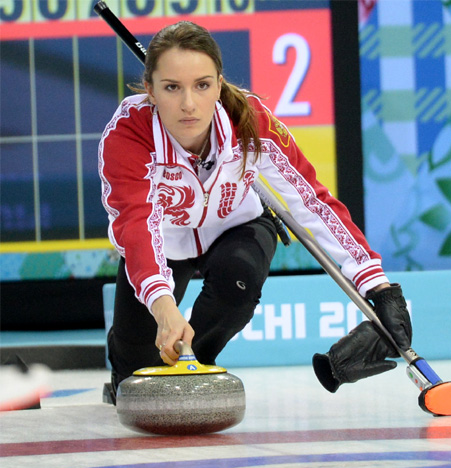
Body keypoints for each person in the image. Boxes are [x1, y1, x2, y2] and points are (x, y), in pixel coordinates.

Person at [98, 21, 412, 401]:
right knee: (133, 370)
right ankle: (132, 362)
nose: (188, 104)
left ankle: (192, 367)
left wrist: (378, 285)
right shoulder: (128, 135)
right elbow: (137, 227)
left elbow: (311, 201)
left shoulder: (252, 122)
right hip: (164, 238)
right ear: (150, 90)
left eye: (202, 85)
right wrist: (164, 309)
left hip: (237, 223)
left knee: (238, 284)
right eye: (172, 88)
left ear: (219, 84)